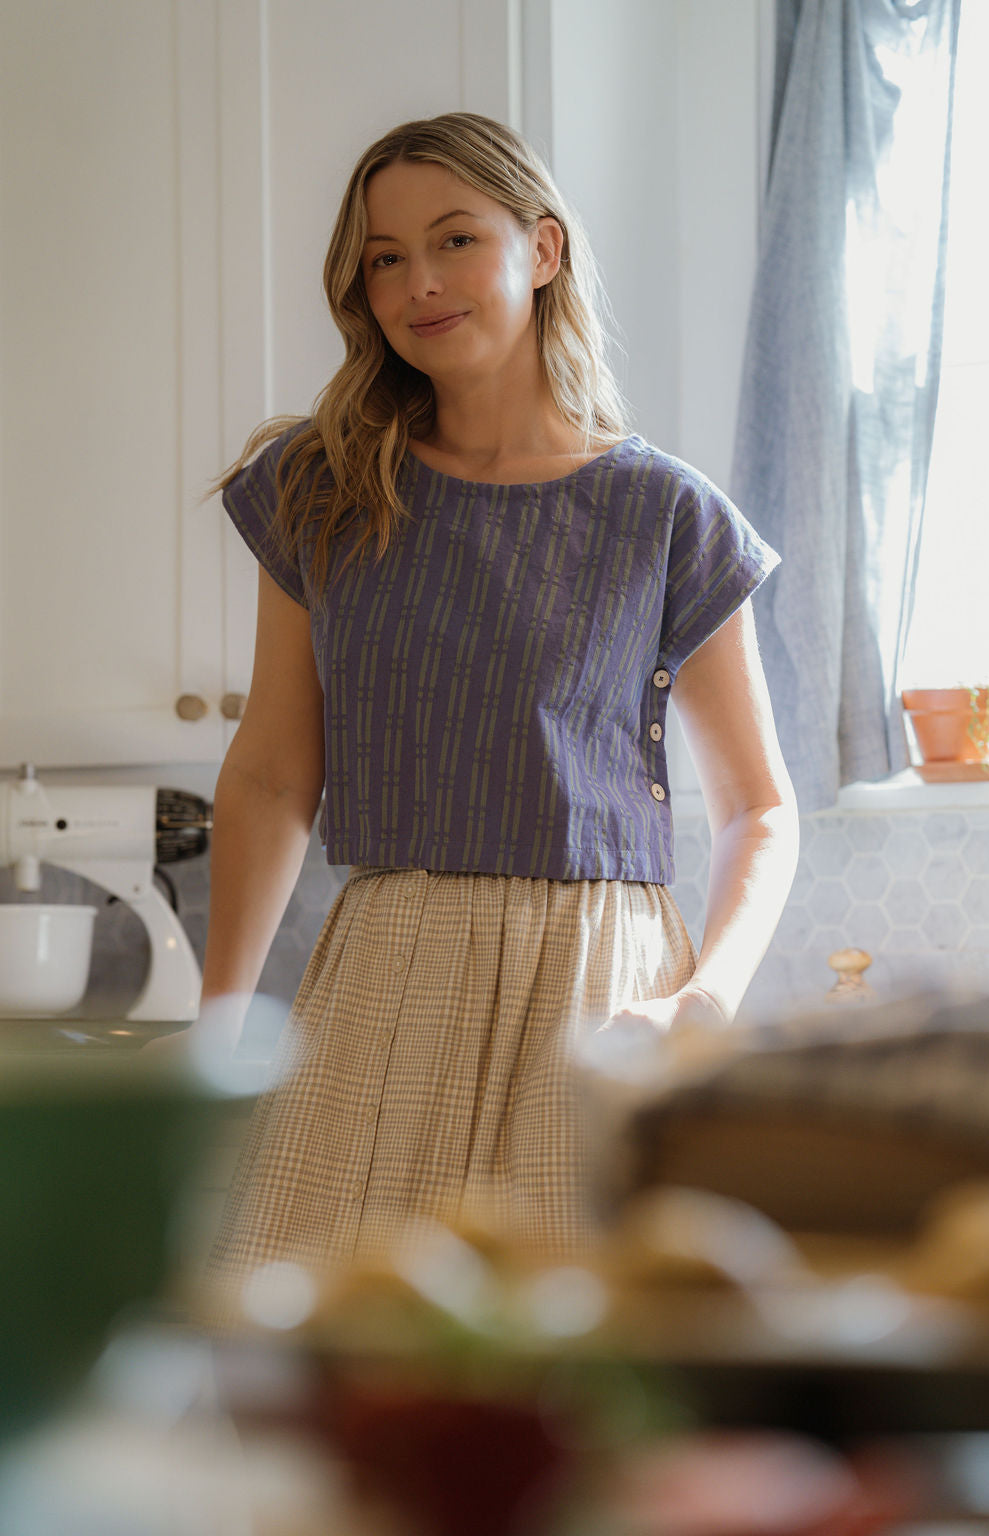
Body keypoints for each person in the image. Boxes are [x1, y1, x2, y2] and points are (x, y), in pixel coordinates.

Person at [198, 112, 799, 1290]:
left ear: (544, 250)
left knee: (581, 1368)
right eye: (383, 257)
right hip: (385, 976)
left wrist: (702, 997)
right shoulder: (320, 489)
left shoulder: (668, 517)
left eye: (455, 239)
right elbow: (274, 772)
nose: (416, 283)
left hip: (602, 987)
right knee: (321, 1343)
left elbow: (761, 809)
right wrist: (220, 1016)